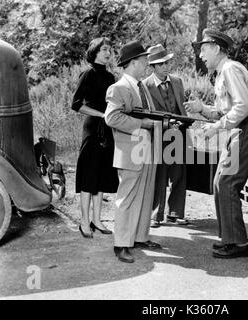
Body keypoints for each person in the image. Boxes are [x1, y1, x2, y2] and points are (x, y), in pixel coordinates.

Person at [185, 29, 248, 259]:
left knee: (228, 182)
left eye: (204, 49)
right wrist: (203, 110)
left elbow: (243, 107)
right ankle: (229, 239)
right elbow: (224, 111)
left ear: (217, 49)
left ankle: (238, 243)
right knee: (220, 182)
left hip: (246, 128)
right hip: (238, 129)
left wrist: (216, 127)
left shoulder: (230, 69)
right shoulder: (221, 73)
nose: (200, 55)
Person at [104, 40, 161, 263]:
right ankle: (121, 245)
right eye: (144, 60)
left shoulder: (142, 86)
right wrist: (143, 124)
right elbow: (112, 117)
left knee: (146, 196)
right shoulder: (118, 88)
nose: (147, 64)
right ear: (133, 62)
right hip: (130, 151)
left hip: (147, 150)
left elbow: (149, 115)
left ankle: (139, 237)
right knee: (126, 199)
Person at [71, 37, 119, 239]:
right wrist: (100, 115)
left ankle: (97, 220)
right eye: (103, 49)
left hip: (107, 130)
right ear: (95, 52)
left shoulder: (110, 77)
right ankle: (83, 222)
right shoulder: (88, 73)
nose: (108, 53)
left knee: (102, 177)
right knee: (89, 177)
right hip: (92, 130)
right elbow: (76, 104)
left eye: (110, 49)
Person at [142, 44, 189, 228]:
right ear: (152, 67)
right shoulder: (145, 85)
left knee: (179, 174)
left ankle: (176, 213)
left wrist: (183, 124)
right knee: (159, 176)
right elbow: (146, 113)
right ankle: (156, 215)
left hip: (178, 134)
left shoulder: (177, 81)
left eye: (166, 63)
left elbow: (182, 108)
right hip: (158, 135)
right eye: (160, 64)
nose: (165, 66)